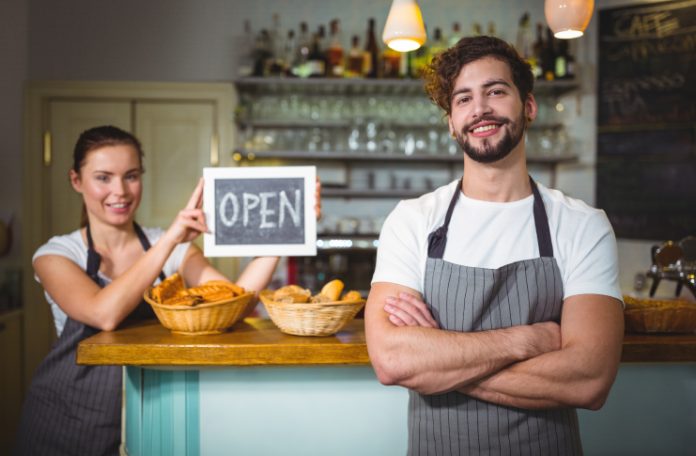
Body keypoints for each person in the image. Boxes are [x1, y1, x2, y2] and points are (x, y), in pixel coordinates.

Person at [365, 36, 624, 455]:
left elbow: (589, 379)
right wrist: (527, 341)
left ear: (529, 107)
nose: (480, 109)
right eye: (463, 98)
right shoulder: (412, 221)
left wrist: (438, 360)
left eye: (496, 92)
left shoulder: (582, 226)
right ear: (451, 122)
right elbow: (394, 361)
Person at [15, 125, 321, 456]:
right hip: (66, 422)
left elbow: (236, 303)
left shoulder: (173, 250)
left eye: (131, 176)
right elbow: (103, 314)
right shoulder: (56, 254)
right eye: (103, 177)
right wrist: (170, 239)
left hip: (153, 414)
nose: (120, 190)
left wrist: (286, 231)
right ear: (77, 181)